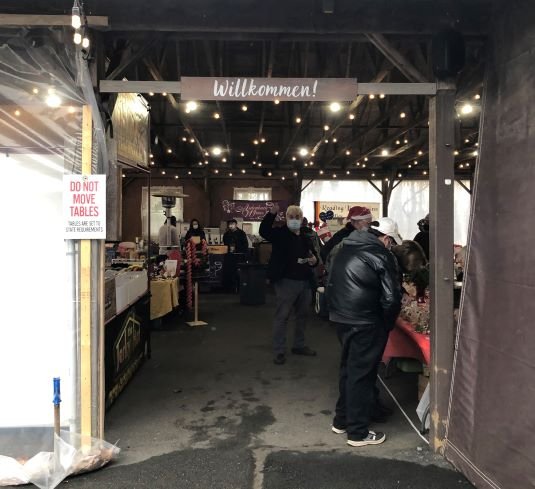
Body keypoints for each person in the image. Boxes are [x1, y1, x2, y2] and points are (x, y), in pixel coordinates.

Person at [327, 217, 402, 447]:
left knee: (349, 370)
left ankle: (341, 421)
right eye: (392, 242)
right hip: (366, 321)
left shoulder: (346, 247)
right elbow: (391, 298)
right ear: (387, 239)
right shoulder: (381, 254)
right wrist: (386, 324)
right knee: (362, 375)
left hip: (341, 317)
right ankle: (358, 432)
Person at [260, 204, 319, 365]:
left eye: (297, 217)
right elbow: (264, 231)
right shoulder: (279, 234)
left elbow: (314, 256)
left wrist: (314, 261)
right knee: (282, 317)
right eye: (291, 217)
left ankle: (299, 345)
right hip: (286, 282)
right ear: (286, 218)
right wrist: (271, 214)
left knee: (302, 316)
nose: (294, 220)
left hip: (305, 282)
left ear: (301, 219)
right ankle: (279, 351)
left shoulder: (306, 236)